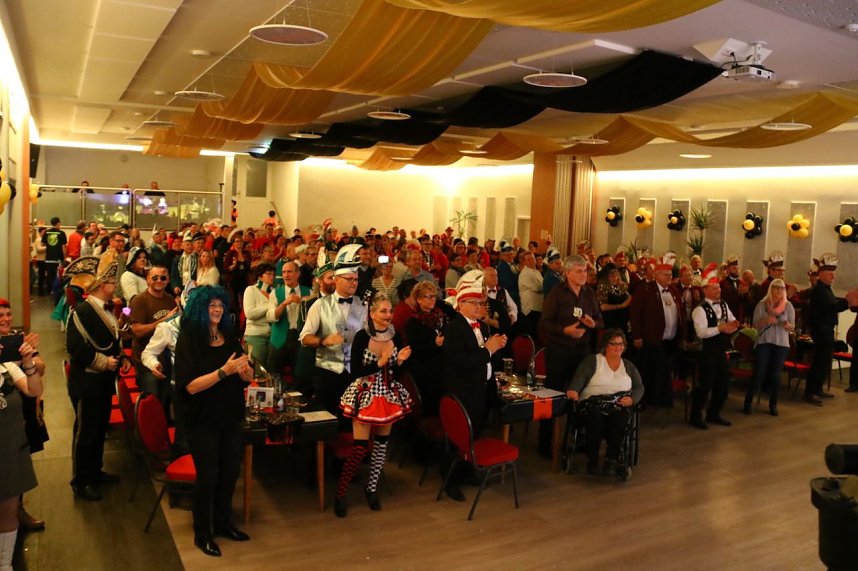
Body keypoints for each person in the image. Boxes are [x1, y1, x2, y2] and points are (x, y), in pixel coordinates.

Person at [174, 286, 253, 557]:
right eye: (211, 306)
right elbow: (190, 387)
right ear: (199, 309)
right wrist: (224, 371)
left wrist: (245, 370)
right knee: (208, 476)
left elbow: (246, 376)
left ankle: (223, 523)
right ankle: (202, 533)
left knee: (230, 472)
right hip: (202, 419)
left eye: (220, 305)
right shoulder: (189, 340)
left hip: (230, 415)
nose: (217, 310)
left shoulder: (229, 336)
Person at [334, 293, 412, 517]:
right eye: (383, 311)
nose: (388, 315)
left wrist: (398, 361)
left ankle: (372, 489)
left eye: (390, 311)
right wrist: (380, 362)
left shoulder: (396, 337)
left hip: (387, 394)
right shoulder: (362, 336)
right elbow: (355, 371)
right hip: (366, 393)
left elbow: (396, 374)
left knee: (381, 446)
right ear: (372, 314)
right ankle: (341, 493)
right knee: (359, 448)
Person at [440, 270, 507, 501]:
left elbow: (484, 358)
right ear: (460, 305)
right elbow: (462, 362)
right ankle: (450, 480)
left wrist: (496, 347)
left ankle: (468, 471)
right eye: (475, 303)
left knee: (474, 434)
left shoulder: (483, 327)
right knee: (458, 436)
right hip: (462, 391)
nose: (480, 306)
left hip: (481, 388)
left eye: (481, 302)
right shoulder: (454, 329)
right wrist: (488, 349)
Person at [65, 263, 122, 501]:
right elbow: (75, 347)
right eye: (110, 283)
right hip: (87, 382)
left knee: (99, 429)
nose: (114, 285)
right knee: (86, 432)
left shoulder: (106, 309)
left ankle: (95, 471)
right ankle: (81, 480)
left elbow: (112, 337)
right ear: (100, 286)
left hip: (103, 383)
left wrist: (121, 359)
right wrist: (103, 362)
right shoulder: (82, 312)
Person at [539, 254, 602, 456]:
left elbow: (600, 319)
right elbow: (544, 323)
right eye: (579, 271)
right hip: (559, 350)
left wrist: (594, 324)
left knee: (582, 395)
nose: (584, 274)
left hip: (582, 350)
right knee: (554, 395)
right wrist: (564, 331)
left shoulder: (589, 293)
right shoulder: (557, 293)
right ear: (567, 273)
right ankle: (546, 443)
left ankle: (578, 438)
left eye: (585, 270)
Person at [299, 245, 368, 420]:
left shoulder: (363, 305)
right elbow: (304, 338)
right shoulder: (320, 305)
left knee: (350, 421)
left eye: (356, 279)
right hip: (327, 374)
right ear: (336, 280)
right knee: (325, 420)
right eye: (349, 279)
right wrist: (323, 341)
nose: (354, 283)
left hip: (355, 374)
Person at [566, 329, 643, 476]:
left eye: (620, 344)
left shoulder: (628, 366)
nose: (618, 347)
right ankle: (592, 460)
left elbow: (639, 387)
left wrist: (632, 399)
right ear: (605, 346)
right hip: (593, 404)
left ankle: (612, 460)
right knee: (595, 418)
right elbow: (579, 379)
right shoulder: (593, 361)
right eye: (613, 344)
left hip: (618, 404)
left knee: (620, 417)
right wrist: (574, 390)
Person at [0, 299, 47, 533]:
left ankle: (17, 511)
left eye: (8, 314)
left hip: (18, 416)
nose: (6, 319)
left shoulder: (17, 339)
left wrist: (24, 360)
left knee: (15, 472)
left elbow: (40, 367)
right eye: (1, 315)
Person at [689, 263, 740, 429]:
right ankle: (695, 416)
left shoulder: (724, 305)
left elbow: (730, 319)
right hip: (706, 352)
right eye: (715, 288)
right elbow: (701, 332)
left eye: (719, 287)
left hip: (720, 351)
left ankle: (714, 413)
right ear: (706, 290)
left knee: (723, 384)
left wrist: (734, 324)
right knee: (705, 385)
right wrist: (720, 328)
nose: (719, 291)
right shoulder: (699, 310)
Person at [629, 255, 683, 408]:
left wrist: (681, 336)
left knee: (663, 370)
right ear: (657, 275)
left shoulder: (673, 290)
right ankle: (649, 399)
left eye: (671, 275)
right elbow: (635, 313)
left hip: (670, 341)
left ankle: (659, 398)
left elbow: (681, 313)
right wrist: (637, 336)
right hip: (651, 339)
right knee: (651, 370)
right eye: (666, 275)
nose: (669, 277)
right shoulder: (645, 290)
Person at [805, 254, 856, 406]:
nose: (833, 276)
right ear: (821, 274)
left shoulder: (826, 289)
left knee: (825, 361)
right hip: (821, 330)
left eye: (834, 273)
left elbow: (832, 304)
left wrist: (847, 301)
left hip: (826, 329)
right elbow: (831, 307)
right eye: (830, 274)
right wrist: (848, 301)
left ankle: (818, 389)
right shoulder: (819, 290)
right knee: (819, 362)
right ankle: (811, 392)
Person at [744, 279, 795, 416]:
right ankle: (748, 401)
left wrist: (787, 326)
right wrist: (766, 320)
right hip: (764, 342)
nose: (778, 291)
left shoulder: (788, 306)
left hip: (781, 344)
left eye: (781, 288)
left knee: (775, 375)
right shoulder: (762, 305)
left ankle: (773, 403)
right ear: (771, 289)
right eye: (776, 288)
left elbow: (792, 326)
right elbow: (755, 324)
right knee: (759, 372)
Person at [129, 264, 178, 404]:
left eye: (163, 278)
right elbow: (136, 331)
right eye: (154, 277)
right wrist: (163, 320)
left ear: (168, 280)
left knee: (164, 402)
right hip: (145, 362)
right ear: (148, 280)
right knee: (151, 403)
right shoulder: (140, 300)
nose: (159, 280)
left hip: (166, 360)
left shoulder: (169, 300)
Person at [406, 281, 450, 416]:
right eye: (428, 297)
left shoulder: (440, 315)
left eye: (433, 296)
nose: (432, 300)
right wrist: (434, 344)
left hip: (440, 366)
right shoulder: (413, 321)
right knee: (427, 407)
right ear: (419, 299)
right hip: (423, 370)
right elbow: (414, 349)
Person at [267, 261, 310, 376]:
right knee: (275, 375)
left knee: (300, 375)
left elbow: (312, 317)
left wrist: (302, 302)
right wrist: (284, 303)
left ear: (298, 274)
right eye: (284, 272)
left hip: (300, 338)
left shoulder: (308, 292)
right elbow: (270, 317)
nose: (286, 275)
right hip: (279, 339)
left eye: (289, 272)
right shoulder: (275, 293)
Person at [243, 264, 275, 368]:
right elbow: (250, 313)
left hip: (273, 335)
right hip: (256, 335)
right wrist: (270, 306)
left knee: (270, 368)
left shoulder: (274, 292)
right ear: (260, 276)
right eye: (269, 274)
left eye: (273, 274)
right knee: (257, 369)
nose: (272, 277)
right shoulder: (251, 290)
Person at [595, 263, 630, 334]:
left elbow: (629, 296)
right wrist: (621, 306)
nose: (614, 275)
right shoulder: (602, 287)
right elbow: (603, 307)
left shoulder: (622, 285)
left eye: (615, 272)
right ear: (606, 275)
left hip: (623, 320)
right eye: (611, 273)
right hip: (610, 321)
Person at [518, 251, 544, 339]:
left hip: (538, 308)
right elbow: (538, 288)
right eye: (528, 260)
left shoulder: (537, 272)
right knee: (531, 336)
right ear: (524, 262)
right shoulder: (525, 274)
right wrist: (545, 286)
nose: (531, 261)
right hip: (530, 310)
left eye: (532, 258)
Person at [43, 217, 67, 298]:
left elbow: (44, 244)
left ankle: (50, 291)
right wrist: (65, 257)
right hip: (58, 258)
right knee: (58, 276)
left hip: (49, 258)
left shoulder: (46, 233)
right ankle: (56, 292)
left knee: (49, 275)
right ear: (58, 223)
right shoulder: (62, 233)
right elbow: (63, 246)